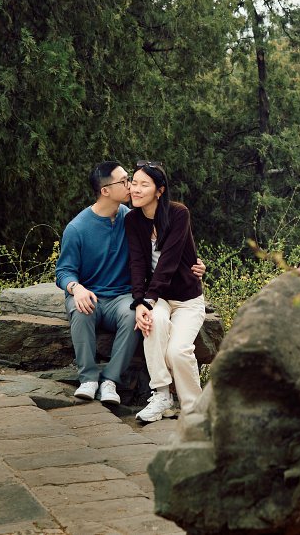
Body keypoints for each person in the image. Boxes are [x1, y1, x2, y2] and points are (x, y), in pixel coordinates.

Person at [55, 162, 205, 403]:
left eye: (134, 181)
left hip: (123, 296)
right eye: (126, 181)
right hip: (89, 294)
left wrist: (193, 263)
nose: (131, 187)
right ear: (106, 191)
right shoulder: (77, 228)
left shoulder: (131, 217)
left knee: (133, 315)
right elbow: (63, 271)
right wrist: (77, 288)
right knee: (82, 311)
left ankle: (111, 381)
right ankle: (89, 379)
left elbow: (166, 252)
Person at [125, 161, 206, 424]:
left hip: (186, 299)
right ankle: (161, 395)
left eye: (143, 185)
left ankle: (194, 409)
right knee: (153, 321)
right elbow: (136, 263)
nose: (135, 189)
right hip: (156, 296)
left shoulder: (178, 214)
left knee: (178, 352)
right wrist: (142, 302)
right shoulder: (132, 219)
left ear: (159, 190)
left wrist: (146, 299)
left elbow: (169, 262)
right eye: (133, 183)